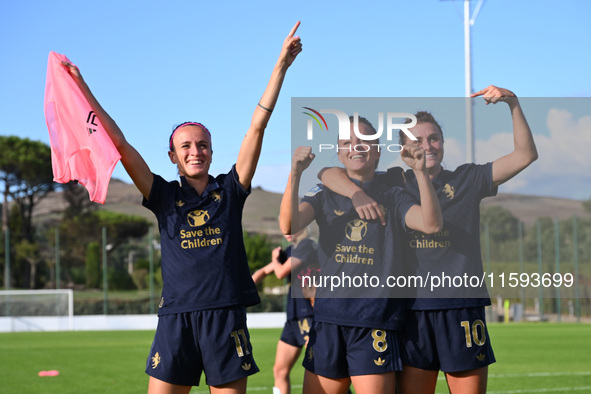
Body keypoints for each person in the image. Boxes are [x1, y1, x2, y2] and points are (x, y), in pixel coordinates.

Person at [61, 22, 302, 394]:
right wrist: (82, 89)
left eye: (202, 144)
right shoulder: (163, 195)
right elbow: (121, 146)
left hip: (225, 316)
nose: (195, 151)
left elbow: (257, 128)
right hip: (176, 318)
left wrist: (280, 66)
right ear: (172, 156)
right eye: (186, 146)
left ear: (211, 150)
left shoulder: (230, 189)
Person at [318, 86, 538, 394]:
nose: (426, 146)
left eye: (433, 138)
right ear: (402, 148)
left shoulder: (468, 179)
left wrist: (512, 104)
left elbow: (526, 155)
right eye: (416, 141)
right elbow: (327, 172)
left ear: (443, 143)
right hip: (410, 311)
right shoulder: (393, 181)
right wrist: (355, 193)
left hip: (461, 307)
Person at [279, 116, 443, 394]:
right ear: (340, 152)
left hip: (374, 321)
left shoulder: (393, 193)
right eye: (347, 142)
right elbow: (289, 225)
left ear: (378, 150)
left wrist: (419, 173)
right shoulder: (323, 192)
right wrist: (294, 174)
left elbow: (431, 224)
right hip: (329, 319)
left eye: (365, 141)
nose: (355, 147)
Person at [252, 229, 318, 394]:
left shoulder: (307, 245)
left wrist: (275, 259)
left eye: (291, 227)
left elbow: (280, 272)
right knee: (280, 370)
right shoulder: (290, 251)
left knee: (321, 369)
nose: (286, 232)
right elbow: (265, 271)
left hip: (309, 316)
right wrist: (246, 286)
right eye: (284, 228)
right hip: (293, 318)